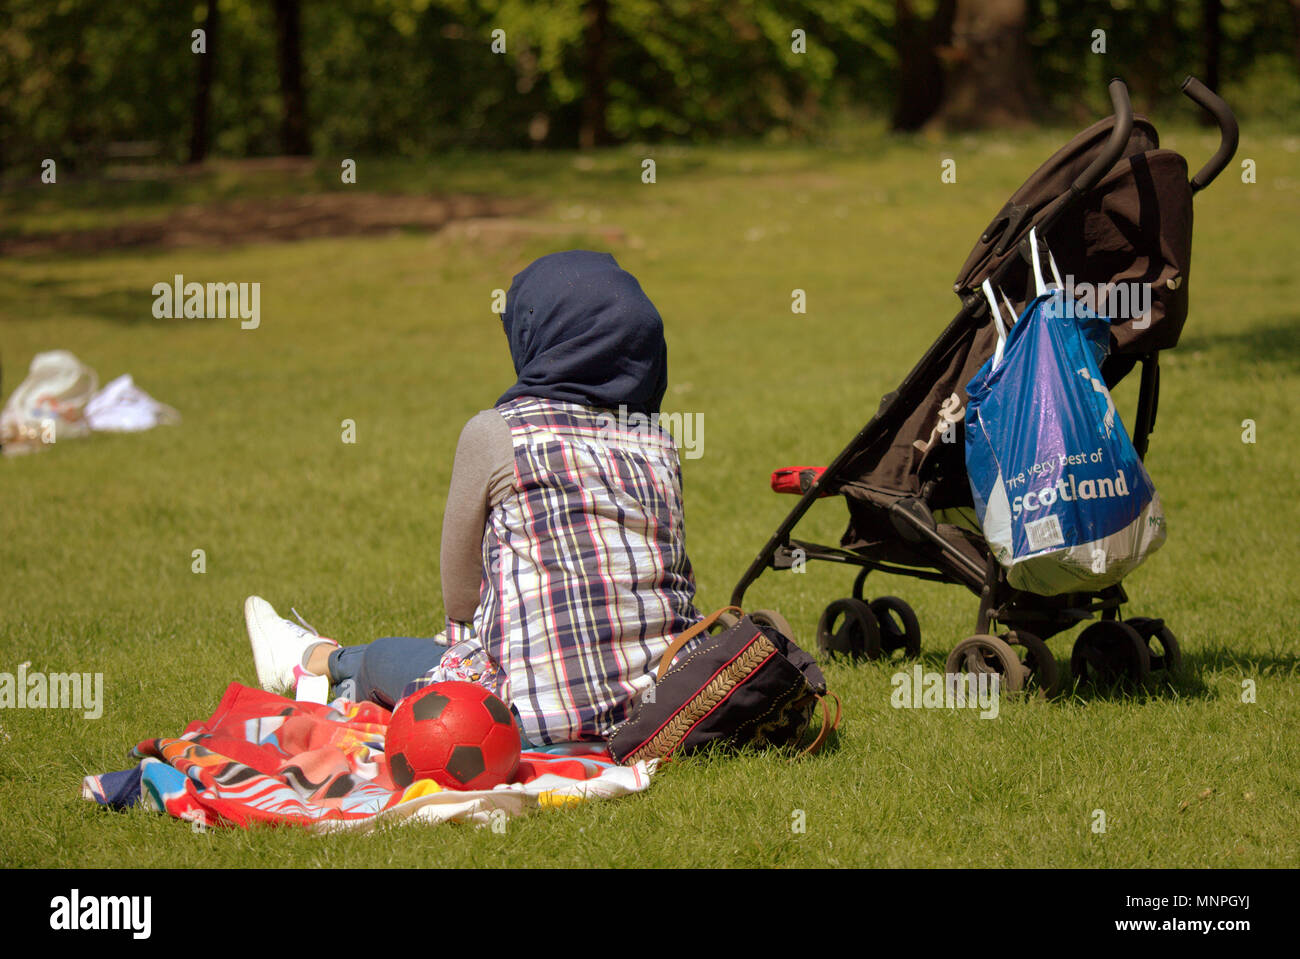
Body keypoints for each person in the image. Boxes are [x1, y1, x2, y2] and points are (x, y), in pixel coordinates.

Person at [244, 250, 701, 747]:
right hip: (659, 705)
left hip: (526, 721)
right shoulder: (659, 443)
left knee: (386, 659)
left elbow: (460, 599)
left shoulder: (497, 432)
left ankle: (319, 660)